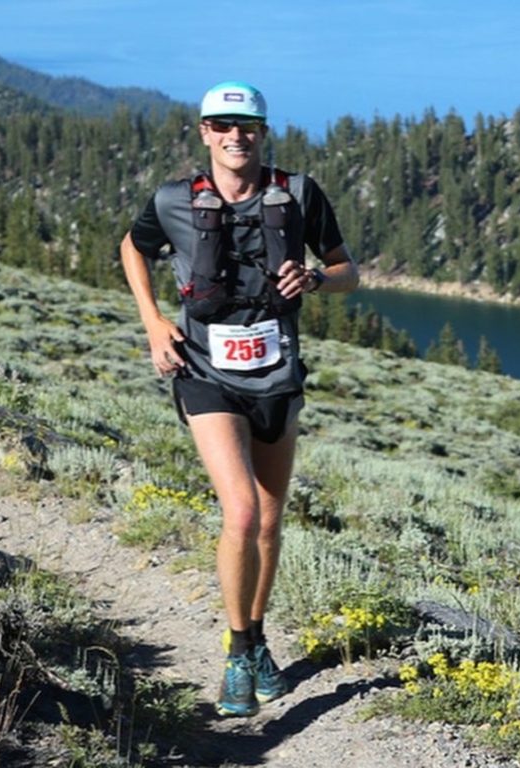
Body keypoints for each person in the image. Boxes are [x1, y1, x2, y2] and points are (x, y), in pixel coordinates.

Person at [119, 80, 358, 717]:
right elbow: (132, 248)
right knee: (244, 512)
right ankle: (234, 651)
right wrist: (152, 323)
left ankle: (256, 641)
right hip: (206, 372)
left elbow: (347, 270)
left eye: (246, 126)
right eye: (222, 126)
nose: (235, 136)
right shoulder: (174, 200)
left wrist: (315, 277)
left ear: (263, 130)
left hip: (278, 376)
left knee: (272, 521)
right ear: (204, 132)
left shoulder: (299, 193)